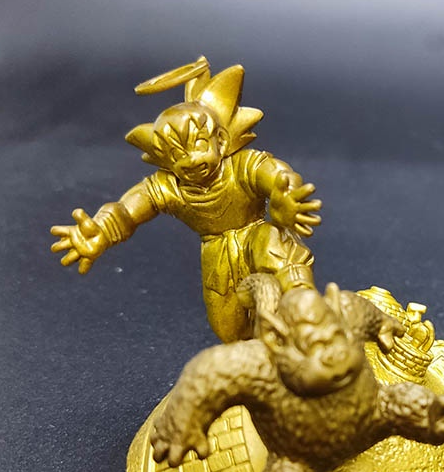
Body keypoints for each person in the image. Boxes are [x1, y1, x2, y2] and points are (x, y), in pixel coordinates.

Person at [50, 57, 321, 342]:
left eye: (199, 145)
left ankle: (311, 318)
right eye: (177, 154)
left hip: (256, 233)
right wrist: (103, 230)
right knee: (229, 331)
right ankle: (269, 349)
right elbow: (128, 210)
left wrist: (285, 195)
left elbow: (275, 174)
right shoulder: (169, 187)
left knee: (274, 244)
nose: (191, 160)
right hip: (217, 257)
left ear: (221, 141)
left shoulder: (242, 166)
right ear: (166, 161)